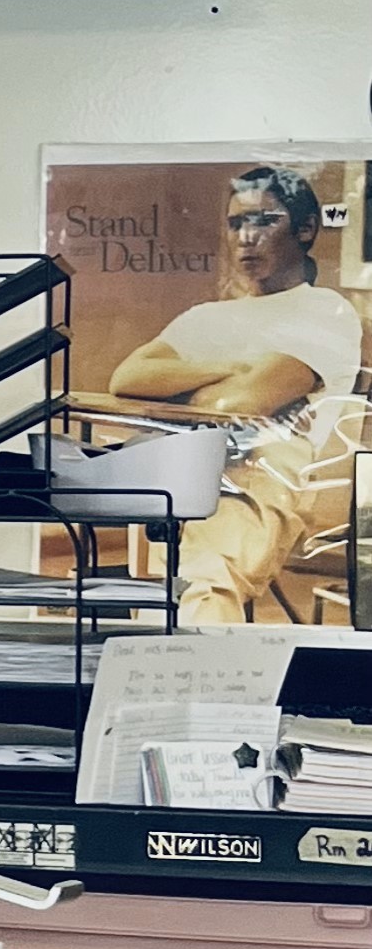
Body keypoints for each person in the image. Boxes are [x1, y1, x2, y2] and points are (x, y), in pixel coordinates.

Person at [74, 166, 367, 622]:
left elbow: (240, 405)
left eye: (265, 221)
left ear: (306, 229)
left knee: (204, 585)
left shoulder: (323, 310)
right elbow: (127, 378)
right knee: (136, 586)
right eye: (236, 224)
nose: (247, 238)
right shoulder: (206, 317)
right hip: (176, 466)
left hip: (257, 477)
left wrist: (178, 383)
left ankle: (204, 688)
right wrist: (234, 366)